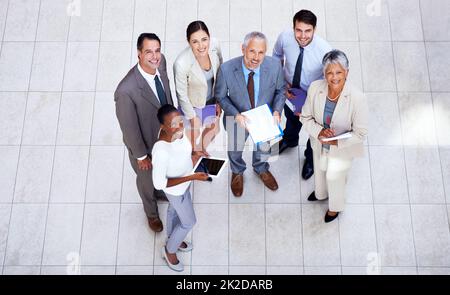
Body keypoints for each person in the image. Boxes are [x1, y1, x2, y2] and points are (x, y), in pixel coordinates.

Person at [300, 50, 368, 223]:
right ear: (324, 74)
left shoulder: (357, 98)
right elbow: (305, 117)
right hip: (319, 143)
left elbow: (361, 133)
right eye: (329, 72)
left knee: (335, 179)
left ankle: (335, 207)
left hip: (342, 149)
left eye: (339, 72)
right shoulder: (315, 88)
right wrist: (319, 132)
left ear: (347, 72)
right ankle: (321, 194)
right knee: (320, 172)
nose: (334, 77)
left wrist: (338, 140)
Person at [215, 31, 286, 197]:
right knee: (235, 149)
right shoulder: (226, 69)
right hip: (238, 119)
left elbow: (281, 90)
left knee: (264, 147)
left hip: (265, 118)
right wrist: (236, 114)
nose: (256, 57)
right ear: (243, 49)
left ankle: (261, 168)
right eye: (252, 51)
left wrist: (277, 111)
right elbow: (221, 96)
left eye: (261, 52)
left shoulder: (275, 65)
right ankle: (237, 172)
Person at [115, 33, 173, 233]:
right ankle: (151, 213)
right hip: (145, 146)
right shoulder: (126, 91)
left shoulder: (161, 62)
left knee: (163, 171)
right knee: (146, 182)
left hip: (164, 136)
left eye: (157, 50)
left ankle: (160, 191)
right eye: (149, 52)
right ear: (139, 54)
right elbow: (129, 128)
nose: (155, 56)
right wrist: (141, 156)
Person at [273, 9, 332, 180]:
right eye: (298, 30)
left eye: (308, 31)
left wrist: (309, 102)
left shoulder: (325, 51)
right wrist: (281, 82)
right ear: (293, 28)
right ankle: (290, 140)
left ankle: (310, 158)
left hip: (312, 97)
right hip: (290, 92)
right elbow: (277, 56)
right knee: (291, 119)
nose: (303, 36)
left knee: (313, 132)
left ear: (315, 29)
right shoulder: (285, 38)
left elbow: (328, 81)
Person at [152, 104, 210, 272]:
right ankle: (169, 250)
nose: (179, 127)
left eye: (180, 121)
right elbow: (159, 184)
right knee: (189, 222)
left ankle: (173, 239)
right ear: (163, 127)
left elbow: (184, 151)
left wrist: (196, 153)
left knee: (173, 211)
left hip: (185, 182)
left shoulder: (177, 134)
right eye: (173, 124)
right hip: (176, 191)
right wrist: (192, 177)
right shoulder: (161, 151)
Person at [174, 20, 223, 154]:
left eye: (204, 39)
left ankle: (201, 149)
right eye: (195, 41)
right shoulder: (181, 63)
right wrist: (192, 116)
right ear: (189, 42)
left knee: (214, 129)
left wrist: (219, 100)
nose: (201, 46)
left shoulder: (215, 45)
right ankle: (191, 155)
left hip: (211, 100)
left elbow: (220, 72)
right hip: (192, 104)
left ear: (209, 37)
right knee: (191, 136)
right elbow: (181, 94)